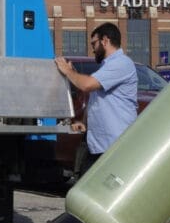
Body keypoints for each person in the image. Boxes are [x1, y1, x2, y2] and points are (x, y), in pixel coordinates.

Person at [54, 22, 138, 174]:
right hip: (98, 145)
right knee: (87, 187)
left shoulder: (121, 63)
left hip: (115, 146)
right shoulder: (107, 66)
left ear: (105, 41)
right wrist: (84, 122)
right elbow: (96, 98)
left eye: (94, 43)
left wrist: (67, 71)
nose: (92, 49)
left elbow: (87, 85)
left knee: (106, 192)